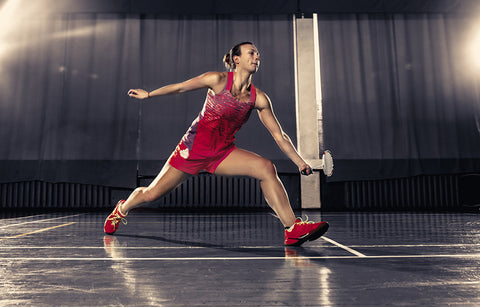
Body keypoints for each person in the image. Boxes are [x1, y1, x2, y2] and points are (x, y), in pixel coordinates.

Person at [104, 42, 329, 246]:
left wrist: (300, 161)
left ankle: (292, 229)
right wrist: (149, 95)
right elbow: (181, 87)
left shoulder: (259, 98)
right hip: (191, 150)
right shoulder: (217, 80)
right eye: (251, 53)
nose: (256, 57)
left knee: (266, 168)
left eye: (258, 54)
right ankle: (122, 209)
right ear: (237, 59)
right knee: (151, 194)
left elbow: (279, 136)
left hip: (222, 153)